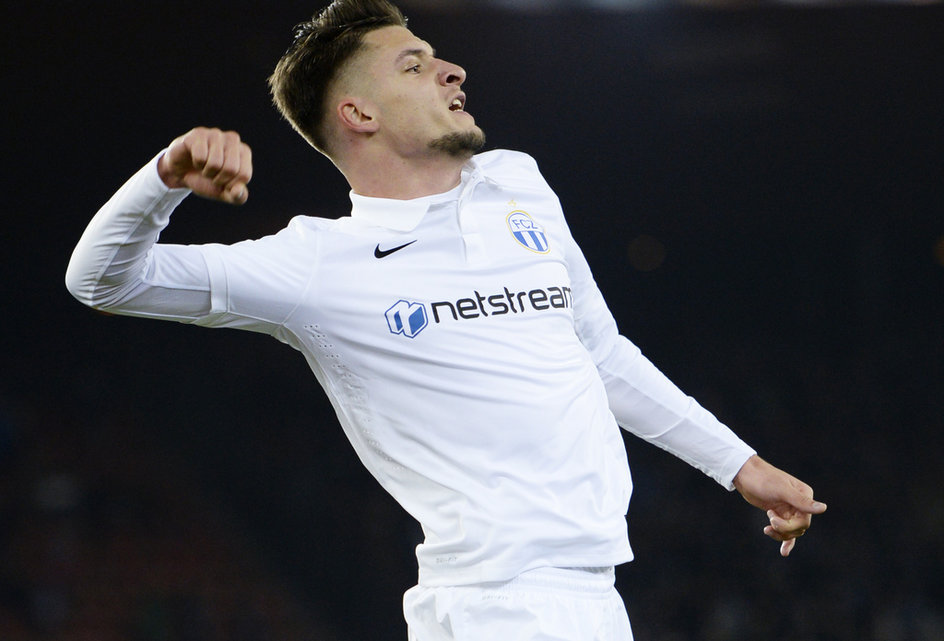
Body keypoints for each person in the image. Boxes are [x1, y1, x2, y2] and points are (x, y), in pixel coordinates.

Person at [65, 1, 826, 639]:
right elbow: (101, 280)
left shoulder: (517, 183)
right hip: (497, 606)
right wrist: (163, 181)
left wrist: (740, 465)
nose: (452, 70)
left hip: (589, 595)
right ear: (358, 113)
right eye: (413, 65)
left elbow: (599, 353)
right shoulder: (317, 264)